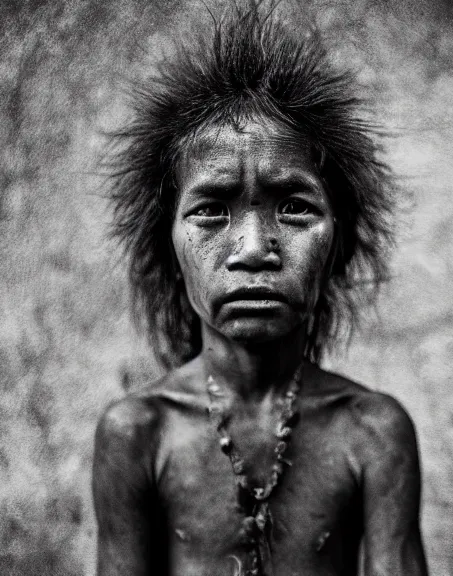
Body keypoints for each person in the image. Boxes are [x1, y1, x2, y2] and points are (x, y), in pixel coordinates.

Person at [92, 2, 429, 575]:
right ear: (168, 246)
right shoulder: (139, 433)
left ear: (335, 247)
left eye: (295, 208)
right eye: (211, 210)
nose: (252, 248)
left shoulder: (372, 431)